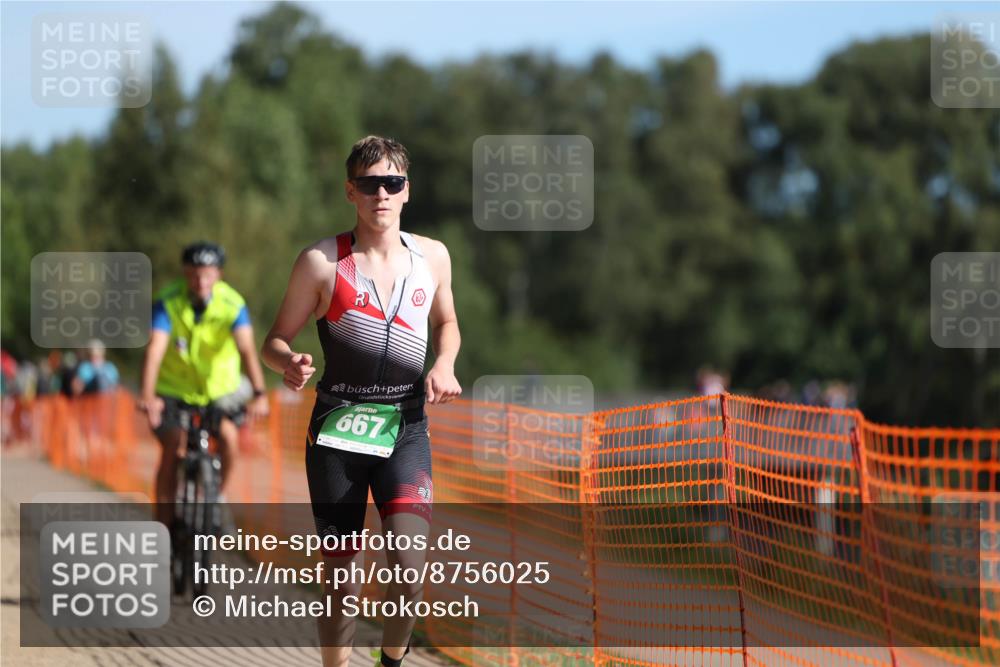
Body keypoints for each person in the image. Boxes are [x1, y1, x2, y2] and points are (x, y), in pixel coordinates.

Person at [261, 135, 462, 667]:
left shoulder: (433, 257)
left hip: (406, 428)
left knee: (410, 569)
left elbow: (447, 321)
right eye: (370, 185)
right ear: (350, 191)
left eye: (392, 183)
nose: (382, 194)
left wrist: (444, 363)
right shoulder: (321, 262)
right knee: (341, 579)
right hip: (337, 432)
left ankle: (390, 661)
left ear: (407, 190)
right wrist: (289, 362)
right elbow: (273, 339)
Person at [139, 242, 270, 526]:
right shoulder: (168, 301)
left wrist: (260, 394)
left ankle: (217, 495)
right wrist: (148, 395)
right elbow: (154, 350)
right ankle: (164, 528)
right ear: (185, 273)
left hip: (218, 391)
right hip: (173, 390)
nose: (201, 281)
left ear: (219, 274)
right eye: (194, 274)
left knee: (229, 438)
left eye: (208, 274)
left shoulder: (232, 304)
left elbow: (247, 349)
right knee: (173, 446)